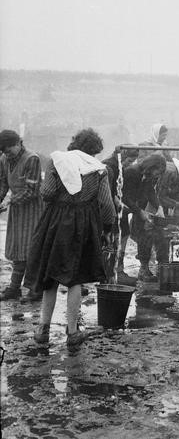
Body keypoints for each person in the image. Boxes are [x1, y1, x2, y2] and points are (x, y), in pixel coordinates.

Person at [26, 128, 116, 348]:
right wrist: (106, 228)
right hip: (83, 224)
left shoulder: (57, 160)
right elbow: (106, 205)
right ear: (94, 150)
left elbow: (46, 193)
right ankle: (73, 332)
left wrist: (62, 200)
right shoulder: (99, 169)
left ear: (75, 144)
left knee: (50, 276)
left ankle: (42, 330)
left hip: (55, 221)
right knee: (76, 276)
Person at [0, 129, 44, 301]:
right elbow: (3, 183)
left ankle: (36, 288)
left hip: (33, 209)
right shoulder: (4, 159)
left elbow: (32, 191)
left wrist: (10, 201)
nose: (6, 154)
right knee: (17, 247)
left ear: (18, 143)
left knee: (32, 249)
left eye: (8, 150)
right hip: (17, 209)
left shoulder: (32, 159)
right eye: (3, 151)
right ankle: (14, 288)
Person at [122, 154, 167, 282]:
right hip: (123, 206)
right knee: (124, 236)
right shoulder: (132, 172)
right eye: (157, 172)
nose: (157, 175)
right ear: (151, 166)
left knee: (145, 234)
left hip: (137, 206)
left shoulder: (148, 176)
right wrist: (139, 211)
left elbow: (149, 191)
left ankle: (144, 269)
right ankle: (119, 270)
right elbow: (125, 196)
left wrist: (159, 207)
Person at [101, 146, 139, 283]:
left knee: (123, 235)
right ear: (122, 155)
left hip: (117, 207)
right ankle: (109, 273)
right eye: (129, 160)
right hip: (107, 207)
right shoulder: (109, 166)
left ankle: (118, 269)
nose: (130, 164)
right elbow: (107, 191)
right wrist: (117, 201)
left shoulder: (119, 166)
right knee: (111, 239)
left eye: (132, 161)